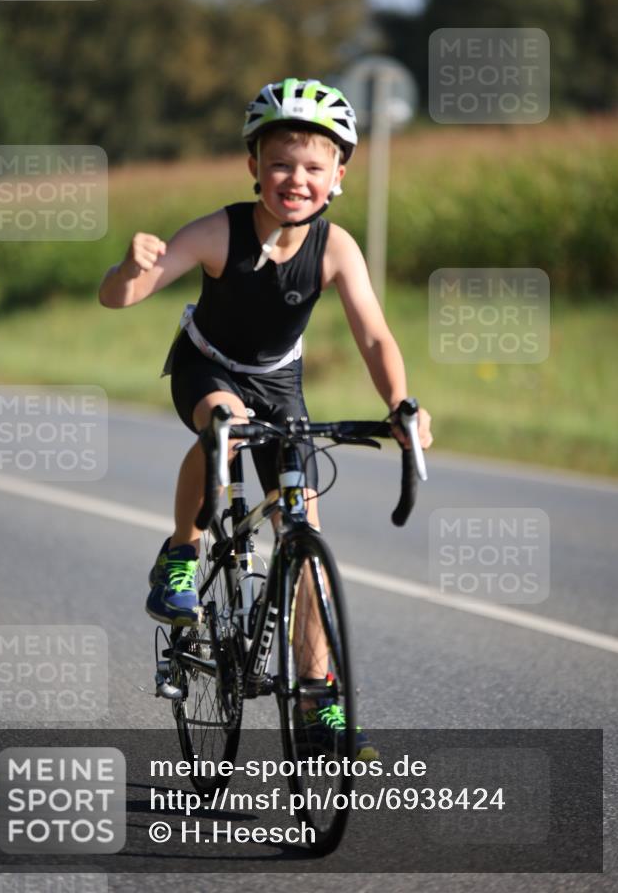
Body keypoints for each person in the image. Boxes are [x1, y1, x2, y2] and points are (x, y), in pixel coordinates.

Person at [99, 77, 433, 757]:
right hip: (209, 368)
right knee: (223, 420)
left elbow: (373, 335)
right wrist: (128, 269)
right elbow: (120, 299)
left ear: (338, 175)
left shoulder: (335, 248)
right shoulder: (217, 231)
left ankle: (316, 703)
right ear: (253, 166)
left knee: (304, 535)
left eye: (313, 167)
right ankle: (181, 553)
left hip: (281, 383)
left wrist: (399, 404)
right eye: (280, 163)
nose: (295, 179)